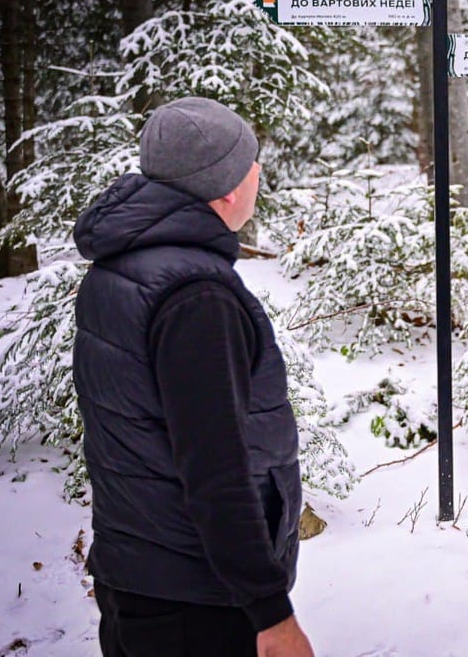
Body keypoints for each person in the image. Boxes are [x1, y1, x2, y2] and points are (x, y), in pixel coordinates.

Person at [73, 97, 314, 657]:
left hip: (138, 583)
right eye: (251, 164)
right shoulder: (197, 297)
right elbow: (216, 469)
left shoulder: (122, 266)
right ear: (226, 188)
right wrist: (271, 612)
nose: (259, 174)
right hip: (198, 606)